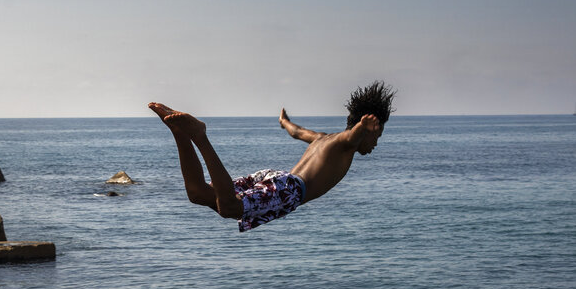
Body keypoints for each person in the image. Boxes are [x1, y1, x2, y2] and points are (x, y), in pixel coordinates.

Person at [149, 81, 395, 232]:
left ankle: (179, 133)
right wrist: (364, 126)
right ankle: (200, 136)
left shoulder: (322, 138)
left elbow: (297, 132)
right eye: (377, 135)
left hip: (277, 177)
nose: (375, 143)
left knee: (199, 194)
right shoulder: (346, 144)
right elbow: (352, 137)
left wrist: (284, 122)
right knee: (229, 207)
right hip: (291, 189)